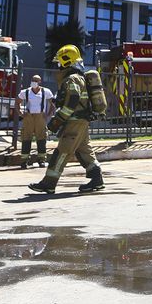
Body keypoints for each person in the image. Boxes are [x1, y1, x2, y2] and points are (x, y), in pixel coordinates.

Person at [27, 45, 104, 193]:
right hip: (81, 121)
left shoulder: (71, 79)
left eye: (59, 63)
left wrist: (58, 120)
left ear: (66, 62)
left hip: (74, 121)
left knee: (63, 151)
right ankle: (97, 179)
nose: (58, 66)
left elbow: (72, 101)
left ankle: (49, 183)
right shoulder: (78, 77)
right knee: (84, 151)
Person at [15, 74, 54, 169]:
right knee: (26, 138)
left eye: (36, 80)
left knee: (41, 138)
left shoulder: (46, 91)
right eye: (33, 80)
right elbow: (17, 102)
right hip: (29, 116)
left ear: (40, 82)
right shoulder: (26, 92)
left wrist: (48, 114)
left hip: (40, 116)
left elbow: (52, 103)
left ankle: (42, 160)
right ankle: (24, 161)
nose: (34, 82)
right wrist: (20, 113)